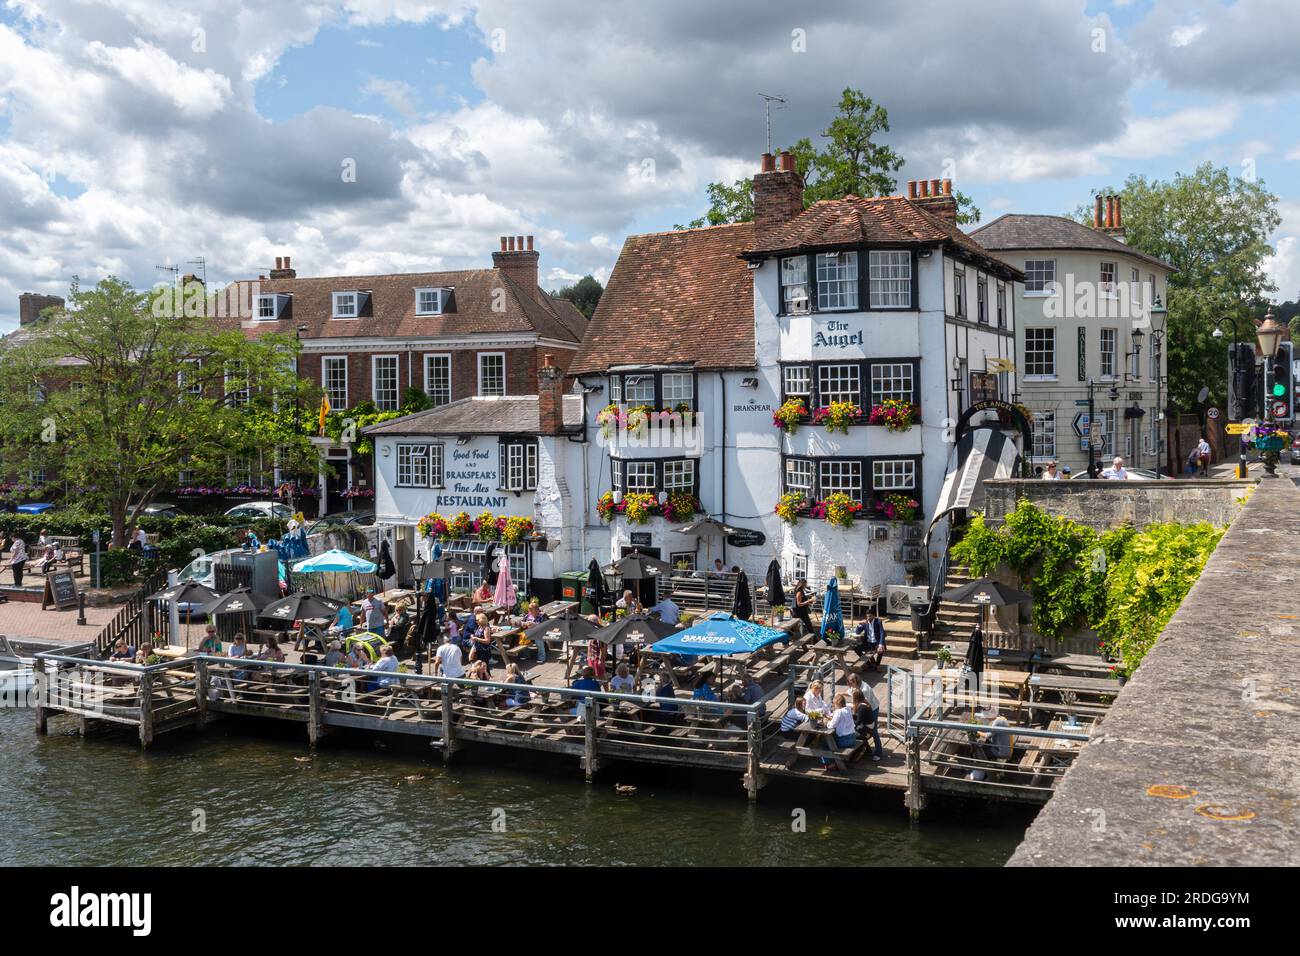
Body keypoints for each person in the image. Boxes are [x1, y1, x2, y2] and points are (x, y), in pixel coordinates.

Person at [822, 693, 858, 769]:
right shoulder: (848, 709)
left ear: (837, 703)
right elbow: (841, 720)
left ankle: (829, 764)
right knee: (831, 740)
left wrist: (826, 723)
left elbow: (832, 725)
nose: (833, 706)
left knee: (825, 743)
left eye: (834, 704)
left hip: (844, 741)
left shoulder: (838, 712)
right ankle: (835, 761)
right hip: (853, 738)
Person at [852, 688, 884, 761]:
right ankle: (867, 749)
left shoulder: (861, 707)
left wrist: (850, 722)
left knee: (850, 735)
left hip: (867, 729)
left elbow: (858, 722)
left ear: (855, 698)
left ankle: (858, 752)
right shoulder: (865, 704)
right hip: (870, 727)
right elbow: (859, 718)